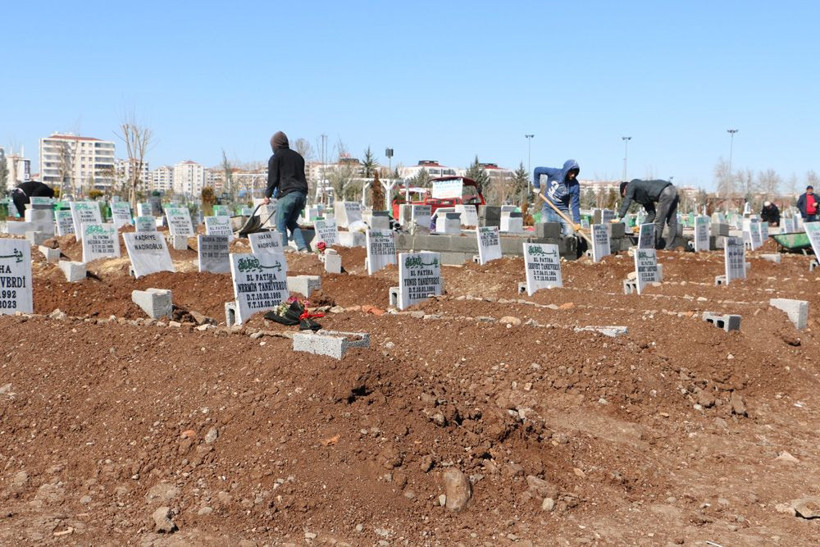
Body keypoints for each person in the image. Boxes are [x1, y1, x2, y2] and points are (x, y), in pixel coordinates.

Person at [263, 131, 309, 251]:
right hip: (302, 194)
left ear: (275, 145)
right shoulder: (298, 157)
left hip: (288, 194)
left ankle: (284, 249)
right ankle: (303, 248)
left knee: (280, 223)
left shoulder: (276, 157)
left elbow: (272, 178)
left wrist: (267, 195)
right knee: (291, 222)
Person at [615, 179, 679, 250]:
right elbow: (652, 214)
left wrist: (620, 217)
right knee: (672, 222)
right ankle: (670, 247)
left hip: (665, 192)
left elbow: (627, 200)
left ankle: (655, 246)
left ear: (624, 189)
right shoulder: (644, 195)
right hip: (673, 190)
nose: (629, 196)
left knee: (659, 221)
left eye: (625, 195)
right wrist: (642, 229)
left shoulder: (631, 184)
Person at [532, 159, 581, 236]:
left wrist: (577, 221)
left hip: (563, 212)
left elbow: (575, 204)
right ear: (566, 170)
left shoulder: (575, 185)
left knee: (570, 233)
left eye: (575, 173)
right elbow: (537, 170)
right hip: (548, 208)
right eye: (571, 172)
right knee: (543, 231)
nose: (573, 175)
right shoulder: (554, 173)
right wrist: (537, 186)